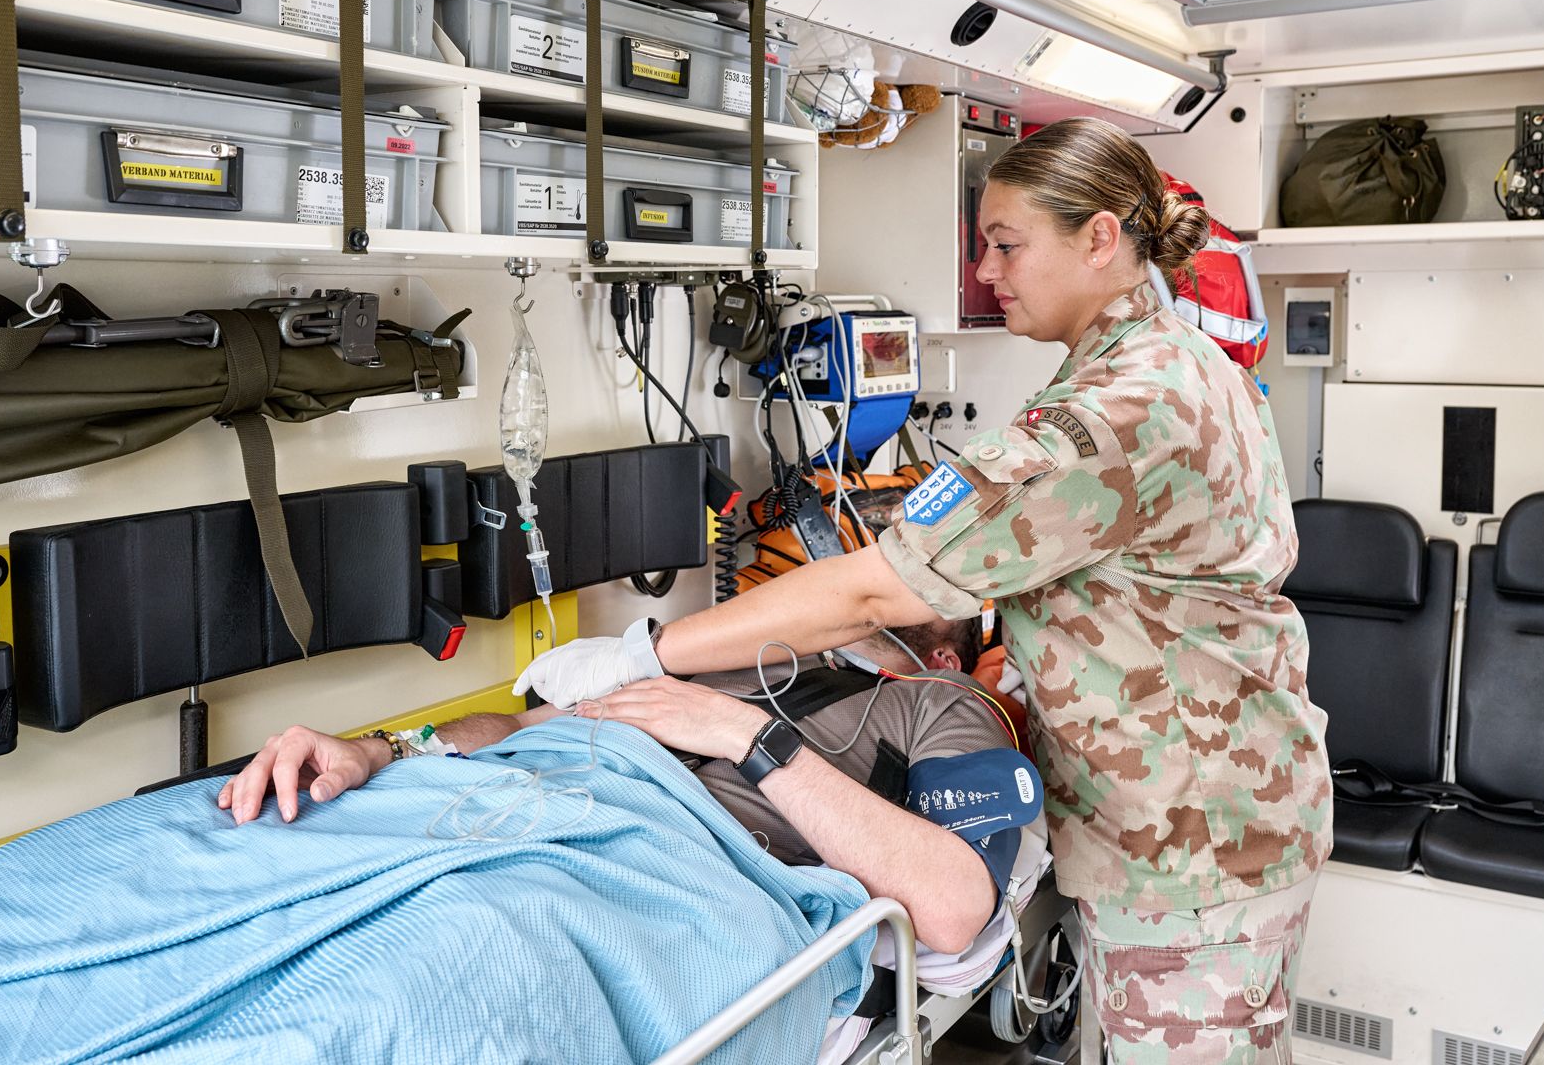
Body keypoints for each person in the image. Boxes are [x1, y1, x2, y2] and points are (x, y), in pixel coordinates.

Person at [515, 117, 1331, 1063]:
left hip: (1191, 850)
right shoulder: (1181, 360)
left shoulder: (1114, 412)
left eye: (1007, 243)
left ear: (1101, 238)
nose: (987, 270)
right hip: (1221, 805)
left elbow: (874, 592)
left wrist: (640, 656)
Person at [221, 619, 1035, 957]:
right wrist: (379, 750)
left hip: (634, 867)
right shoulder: (727, 650)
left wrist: (749, 738)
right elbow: (511, 729)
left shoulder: (944, 705)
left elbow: (955, 907)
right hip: (493, 802)